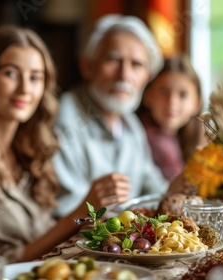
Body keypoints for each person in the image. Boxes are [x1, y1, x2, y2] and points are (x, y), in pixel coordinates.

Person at [0, 25, 124, 263]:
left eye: (35, 77)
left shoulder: (32, 152)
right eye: (10, 73)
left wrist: (92, 217)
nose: (25, 89)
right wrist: (83, 212)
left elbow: (50, 238)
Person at [53, 14, 170, 217]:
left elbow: (156, 192)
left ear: (147, 77)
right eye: (113, 60)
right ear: (87, 66)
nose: (124, 75)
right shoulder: (64, 119)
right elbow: (68, 211)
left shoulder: (130, 123)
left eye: (136, 65)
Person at [136, 54, 206, 181]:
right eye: (164, 92)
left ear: (197, 102)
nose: (172, 102)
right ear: (147, 95)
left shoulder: (191, 139)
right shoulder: (147, 137)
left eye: (182, 94)